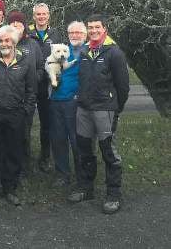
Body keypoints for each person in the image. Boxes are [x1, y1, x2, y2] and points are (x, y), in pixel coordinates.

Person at [68, 15, 129, 215]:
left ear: (105, 29)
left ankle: (113, 194)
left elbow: (123, 86)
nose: (93, 30)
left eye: (97, 27)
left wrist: (115, 108)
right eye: (90, 27)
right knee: (85, 149)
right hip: (84, 109)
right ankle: (86, 188)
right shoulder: (85, 50)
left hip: (105, 109)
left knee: (109, 152)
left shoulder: (114, 52)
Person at [0, 25, 36, 206]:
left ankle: (10, 188)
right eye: (1, 40)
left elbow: (31, 90)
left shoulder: (26, 62)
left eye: (8, 40)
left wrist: (26, 109)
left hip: (16, 114)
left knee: (13, 152)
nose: (4, 43)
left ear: (14, 42)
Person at [7, 10, 44, 181]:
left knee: (23, 134)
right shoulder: (3, 43)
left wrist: (28, 80)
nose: (16, 27)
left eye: (19, 24)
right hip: (6, 96)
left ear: (24, 26)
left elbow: (40, 69)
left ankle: (23, 168)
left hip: (26, 97)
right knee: (6, 134)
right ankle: (5, 166)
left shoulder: (33, 45)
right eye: (13, 24)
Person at [49, 21, 87, 186]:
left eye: (78, 32)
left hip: (76, 103)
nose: (75, 35)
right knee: (58, 139)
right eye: (72, 33)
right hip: (57, 101)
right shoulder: (63, 50)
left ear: (84, 35)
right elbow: (49, 65)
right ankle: (62, 174)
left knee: (77, 140)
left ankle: (82, 175)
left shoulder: (88, 51)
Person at [27, 2, 62, 172]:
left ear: (49, 15)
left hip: (48, 85)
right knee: (24, 122)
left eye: (44, 14)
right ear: (33, 16)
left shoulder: (56, 34)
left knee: (46, 123)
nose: (41, 17)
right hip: (29, 84)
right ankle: (23, 157)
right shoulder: (27, 33)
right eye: (38, 14)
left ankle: (45, 157)